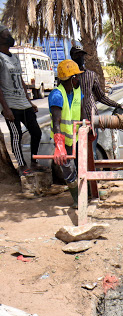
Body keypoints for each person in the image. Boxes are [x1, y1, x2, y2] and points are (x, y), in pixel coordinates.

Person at [70, 46, 123, 158]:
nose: (80, 58)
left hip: (91, 118)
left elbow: (101, 97)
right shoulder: (68, 77)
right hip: (74, 120)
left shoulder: (91, 75)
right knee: (77, 154)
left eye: (82, 55)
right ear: (72, 57)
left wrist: (118, 105)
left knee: (92, 153)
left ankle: (92, 174)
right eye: (77, 55)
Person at [0, 25, 42, 175]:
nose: (10, 36)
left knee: (36, 132)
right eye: (6, 34)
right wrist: (5, 108)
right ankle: (22, 165)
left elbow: (21, 80)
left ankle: (34, 161)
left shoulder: (15, 57)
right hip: (10, 105)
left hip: (24, 104)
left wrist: (29, 101)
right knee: (16, 135)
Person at [49, 60, 84, 208]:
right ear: (72, 78)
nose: (79, 79)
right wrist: (59, 146)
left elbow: (81, 113)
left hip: (76, 137)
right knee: (69, 170)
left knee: (81, 167)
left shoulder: (77, 92)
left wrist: (85, 130)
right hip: (63, 140)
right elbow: (56, 122)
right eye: (77, 76)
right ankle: (77, 199)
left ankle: (86, 194)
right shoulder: (57, 95)